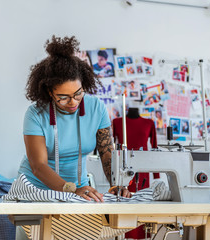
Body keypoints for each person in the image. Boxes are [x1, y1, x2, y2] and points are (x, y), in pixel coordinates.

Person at [18, 36, 130, 203]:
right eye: (63, 97)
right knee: (39, 230)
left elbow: (107, 153)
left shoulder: (96, 108)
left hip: (79, 190)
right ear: (49, 92)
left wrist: (116, 185)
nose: (73, 102)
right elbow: (38, 166)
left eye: (78, 94)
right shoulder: (35, 114)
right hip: (36, 190)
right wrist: (72, 190)